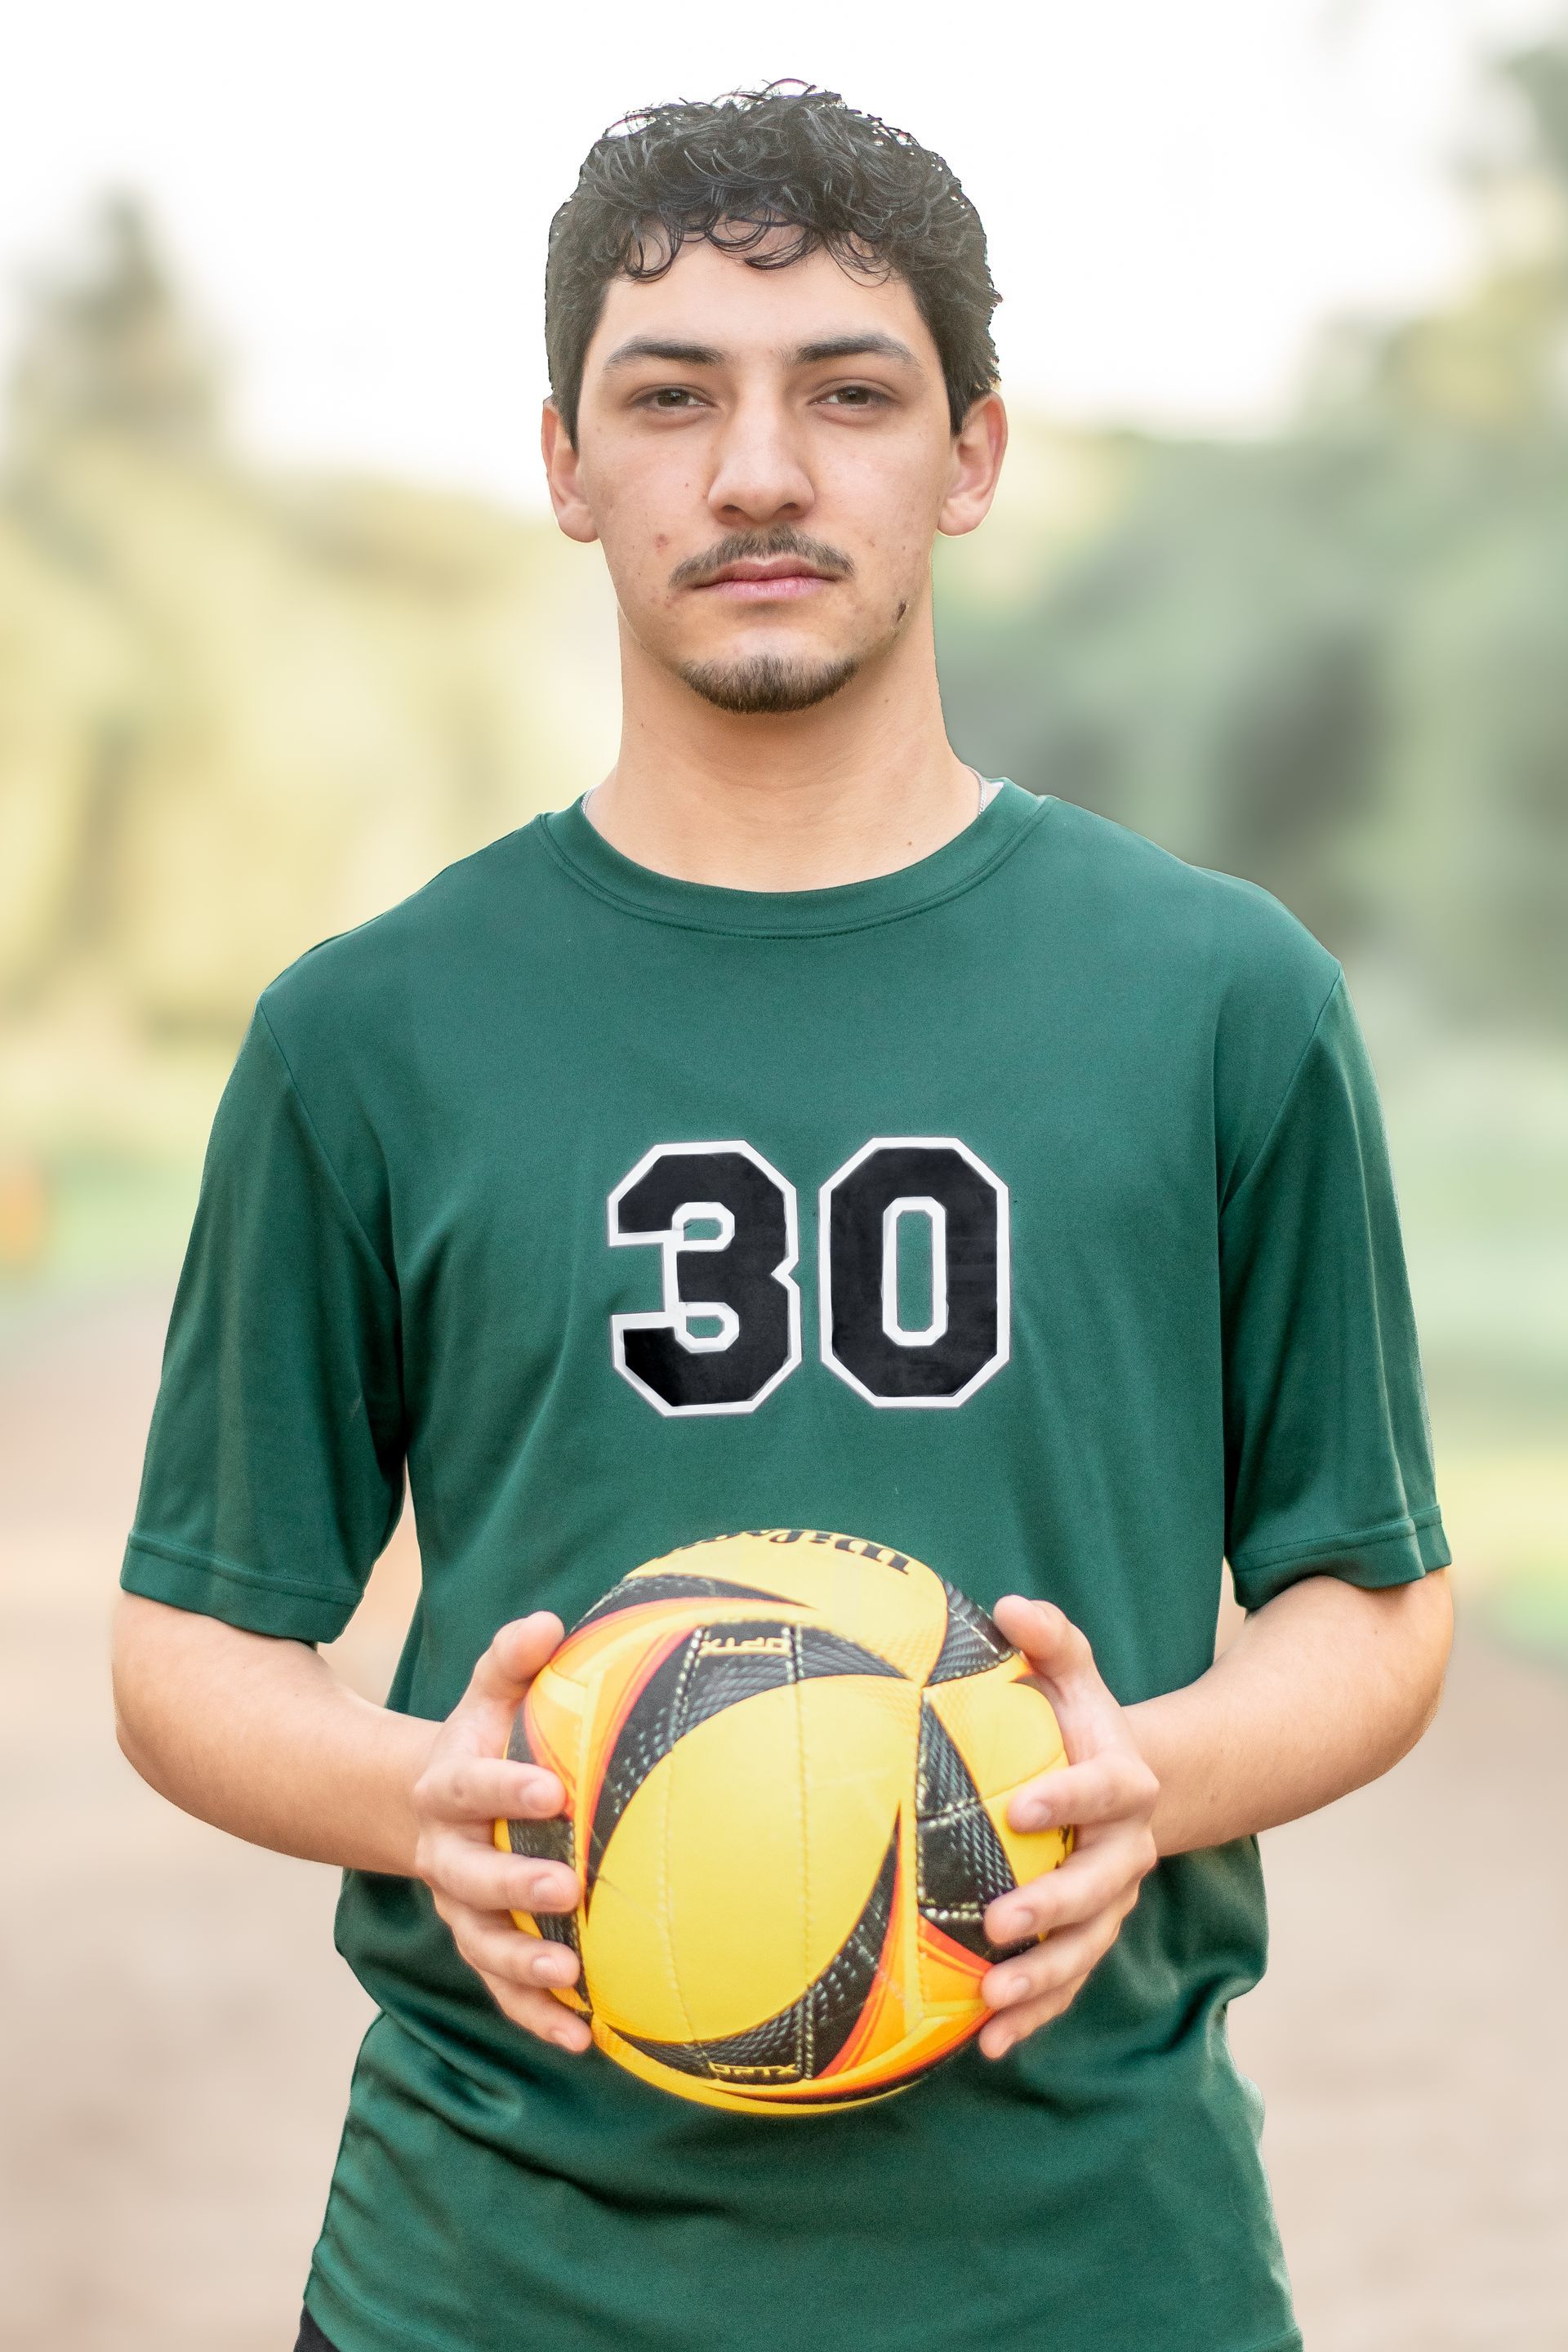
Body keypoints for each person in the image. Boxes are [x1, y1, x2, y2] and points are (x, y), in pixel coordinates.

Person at [112, 82, 1454, 2352]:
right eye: (672, 397)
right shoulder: (375, 1028)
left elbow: (1372, 1595)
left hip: (1089, 2271)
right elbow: (190, 1647)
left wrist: (1143, 1777)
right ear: (563, 464)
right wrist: (422, 1800)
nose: (758, 472)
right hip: (495, 2272)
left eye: (849, 392)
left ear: (974, 454)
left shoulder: (1222, 999)